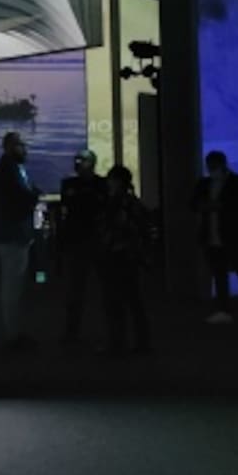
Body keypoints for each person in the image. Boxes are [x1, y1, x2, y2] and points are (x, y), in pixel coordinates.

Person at [191, 151, 238, 324]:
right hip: (213, 236)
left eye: (213, 166)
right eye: (209, 166)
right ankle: (226, 309)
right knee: (221, 274)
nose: (211, 169)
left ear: (222, 164)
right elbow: (193, 204)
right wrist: (207, 206)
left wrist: (219, 206)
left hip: (235, 236)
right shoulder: (204, 183)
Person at [0, 132, 41, 348]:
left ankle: (13, 331)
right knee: (12, 286)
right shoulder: (10, 171)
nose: (25, 149)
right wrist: (34, 195)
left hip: (10, 234)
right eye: (21, 145)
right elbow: (21, 198)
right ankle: (13, 334)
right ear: (11, 147)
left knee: (12, 285)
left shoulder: (6, 170)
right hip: (14, 235)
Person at [97, 166, 151, 354]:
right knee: (133, 301)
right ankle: (140, 342)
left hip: (118, 255)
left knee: (116, 302)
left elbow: (114, 228)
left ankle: (117, 342)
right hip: (127, 256)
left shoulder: (117, 203)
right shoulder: (131, 202)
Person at [58, 149, 107, 343]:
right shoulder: (77, 184)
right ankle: (72, 332)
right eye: (77, 161)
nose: (78, 164)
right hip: (79, 241)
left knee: (99, 287)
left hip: (93, 239)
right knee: (75, 289)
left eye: (82, 161)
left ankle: (103, 330)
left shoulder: (96, 184)